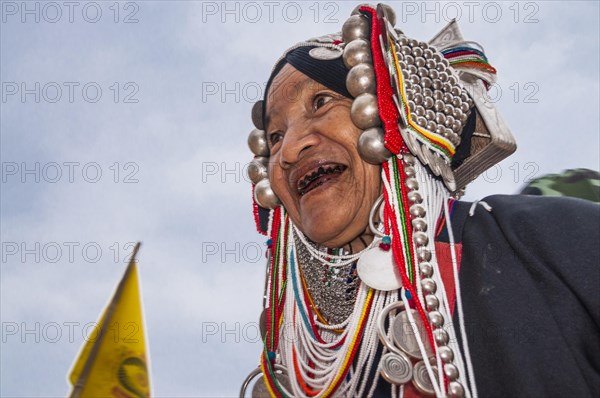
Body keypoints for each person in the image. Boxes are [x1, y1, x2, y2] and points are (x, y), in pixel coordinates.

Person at [240, 4, 600, 397]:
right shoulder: (297, 369)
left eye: (321, 102)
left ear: (391, 113)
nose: (290, 149)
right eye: (274, 137)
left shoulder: (544, 240)